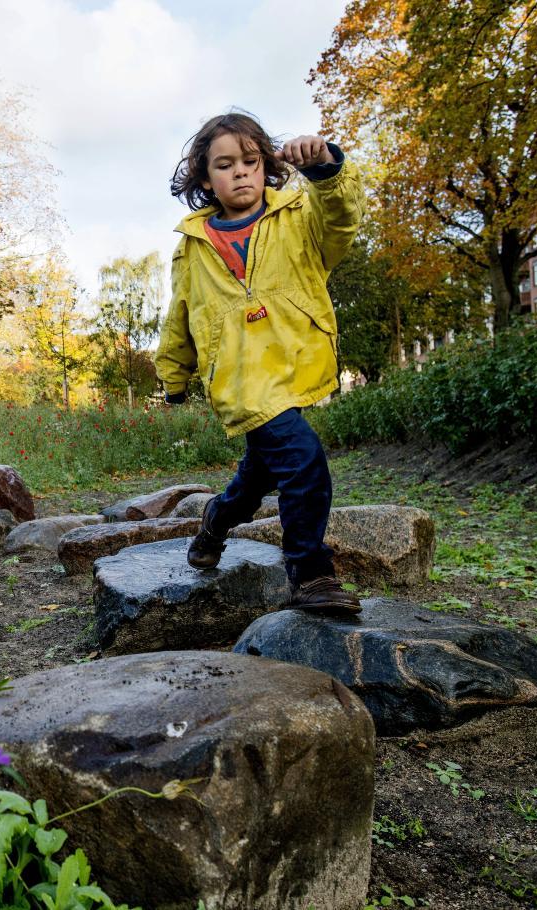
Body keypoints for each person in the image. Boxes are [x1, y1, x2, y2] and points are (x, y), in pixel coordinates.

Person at [155, 110, 365, 613]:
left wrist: (326, 169)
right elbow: (180, 315)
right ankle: (310, 574)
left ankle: (215, 522)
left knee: (260, 474)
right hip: (241, 377)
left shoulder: (300, 220)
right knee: (303, 462)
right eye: (225, 165)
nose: (241, 172)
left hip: (292, 365)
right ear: (205, 178)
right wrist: (173, 378)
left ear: (266, 165)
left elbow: (343, 218)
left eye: (250, 160)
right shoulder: (193, 247)